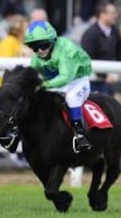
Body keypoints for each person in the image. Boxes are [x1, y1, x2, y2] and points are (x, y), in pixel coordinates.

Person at [24, 20, 93, 153]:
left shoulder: (67, 49)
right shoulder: (37, 56)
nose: (39, 50)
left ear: (52, 41)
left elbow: (66, 77)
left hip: (77, 80)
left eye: (43, 45)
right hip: (56, 81)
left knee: (72, 97)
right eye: (34, 46)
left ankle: (80, 136)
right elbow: (32, 74)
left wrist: (43, 85)